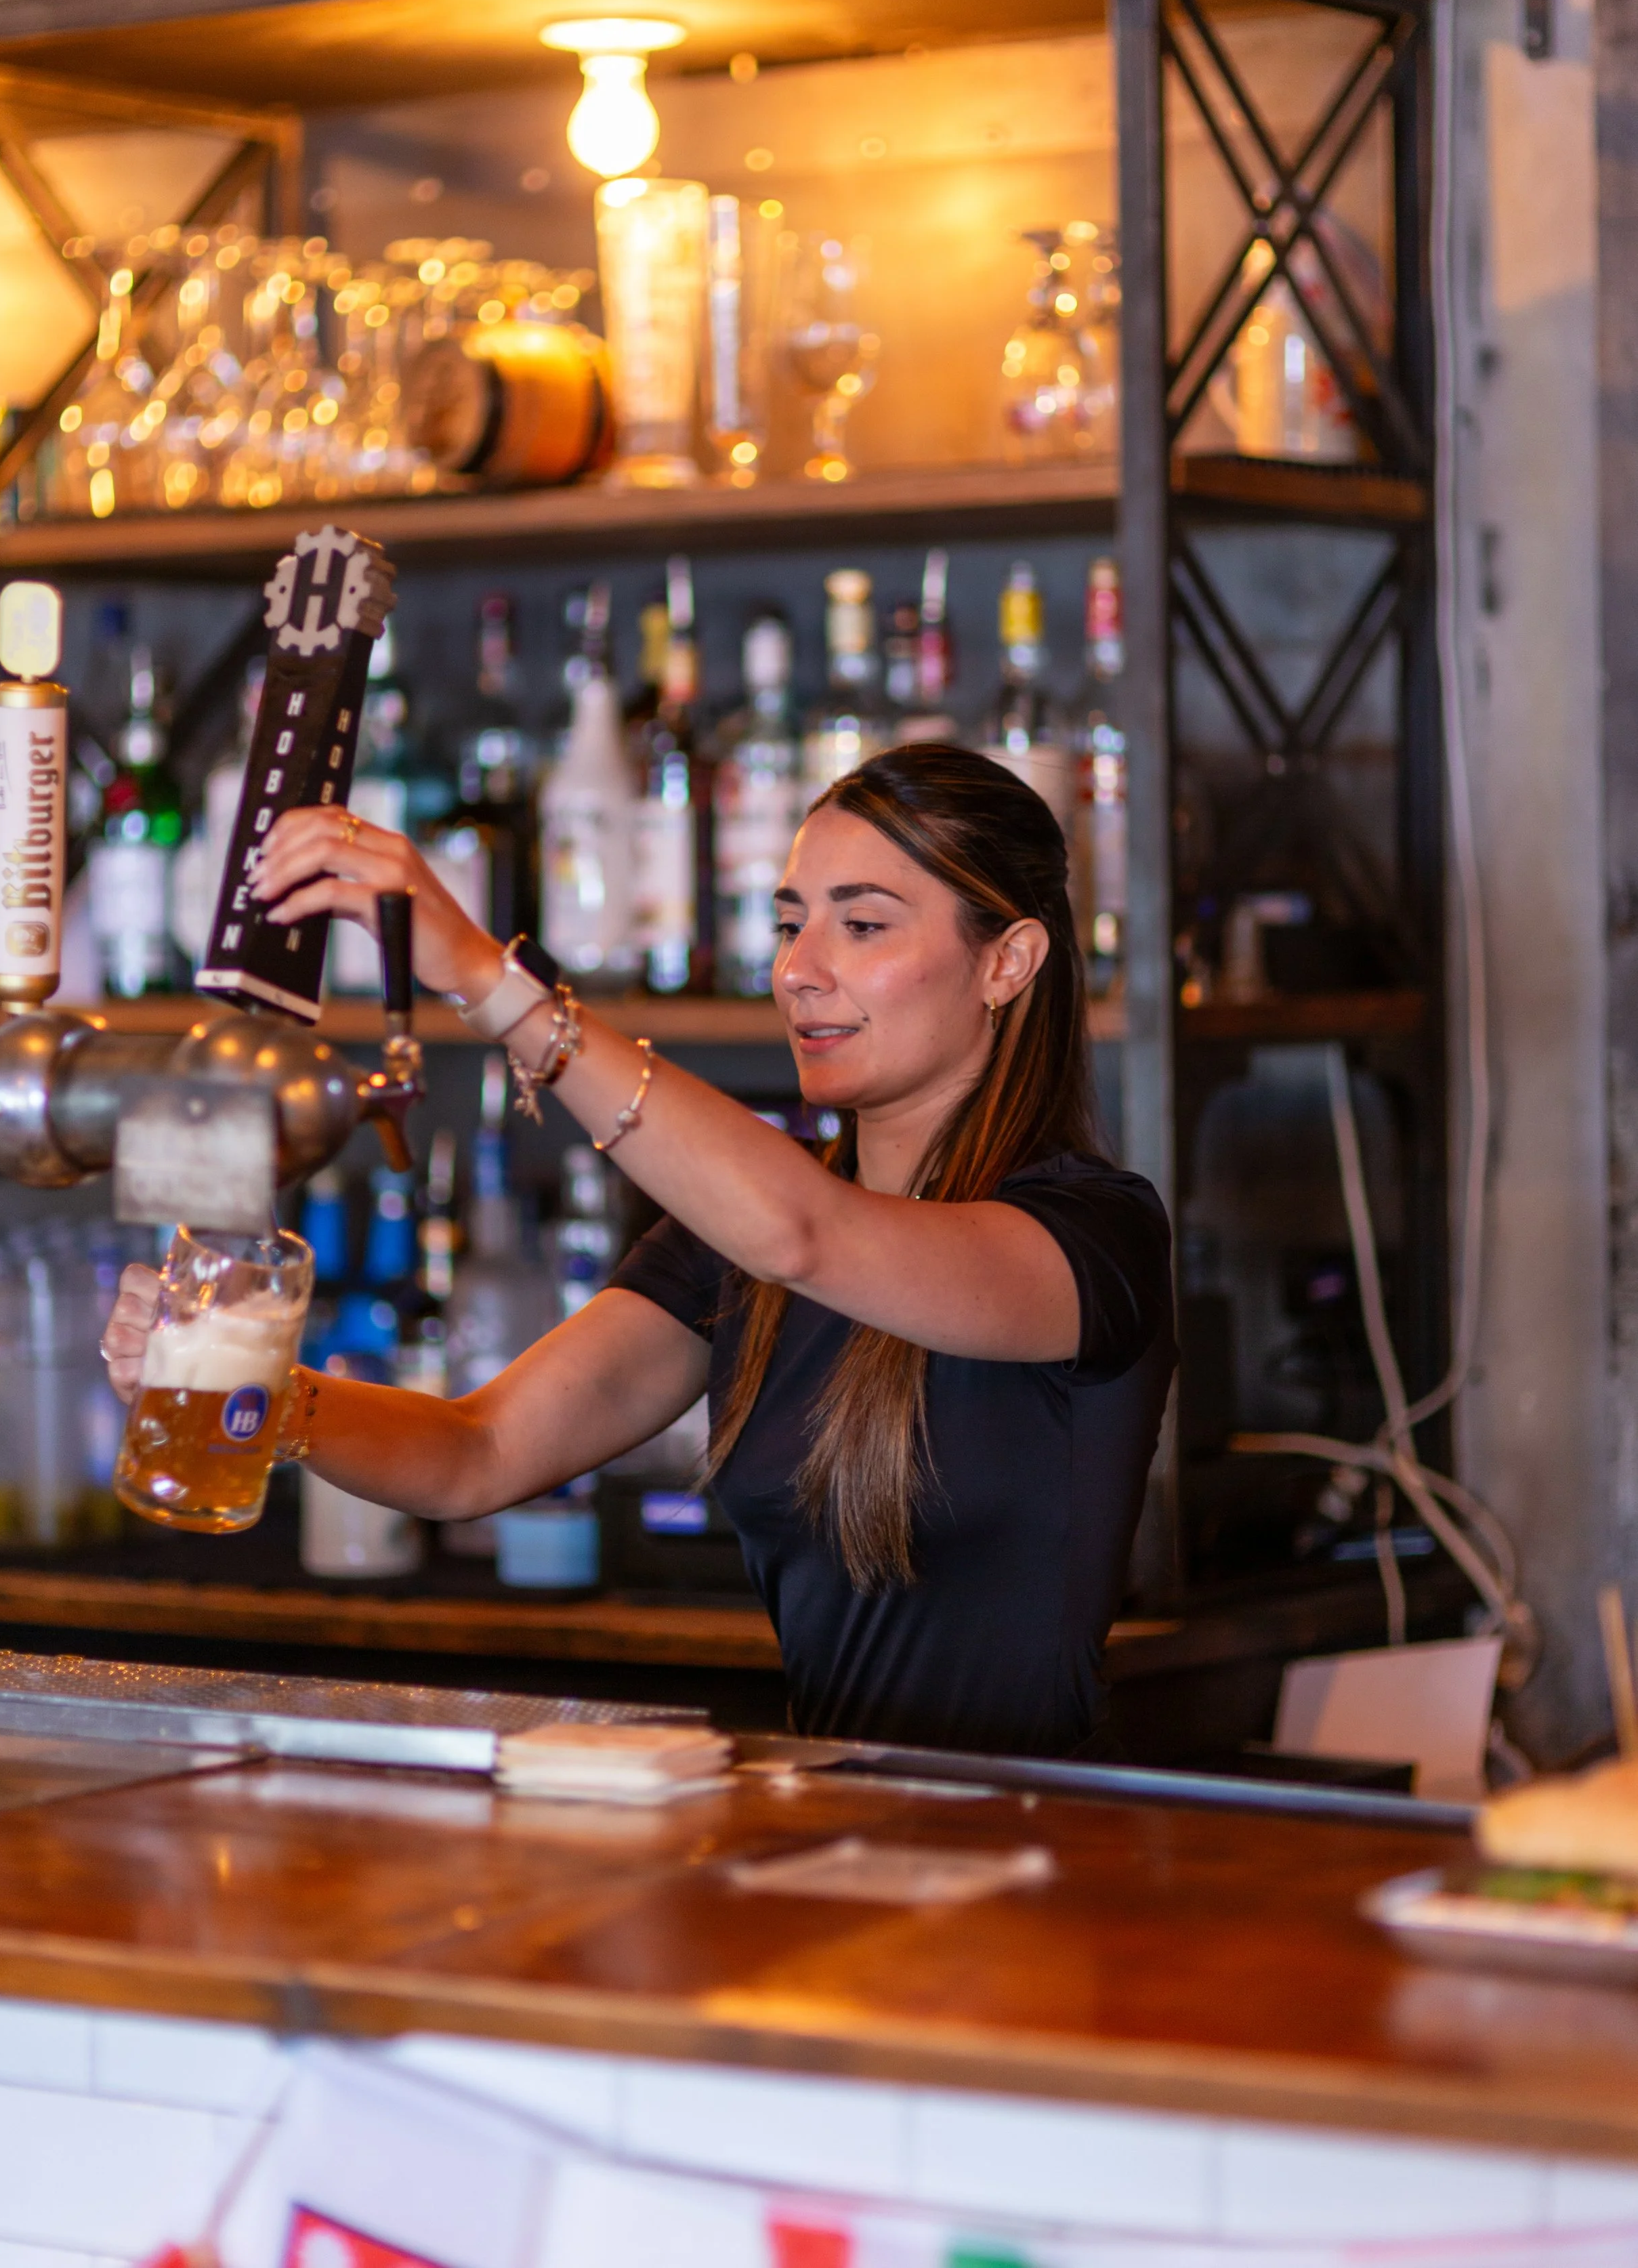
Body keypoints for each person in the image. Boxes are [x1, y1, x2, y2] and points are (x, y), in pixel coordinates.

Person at [104, 742, 1174, 1758]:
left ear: (1008, 962)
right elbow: (479, 1451)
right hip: (842, 1847)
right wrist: (257, 1395)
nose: (799, 970)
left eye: (864, 927)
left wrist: (487, 978)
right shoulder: (734, 1242)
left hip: (1041, 1852)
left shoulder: (1089, 1236)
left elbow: (806, 1234)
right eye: (791, 923)